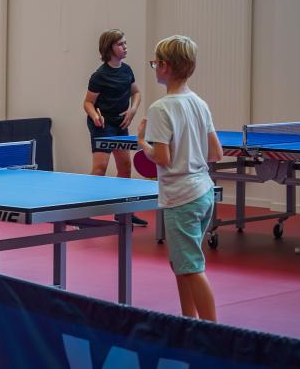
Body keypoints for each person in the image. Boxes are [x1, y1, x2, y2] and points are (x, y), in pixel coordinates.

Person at [136, 35, 222, 322]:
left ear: (165, 67)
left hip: (181, 197)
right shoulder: (200, 103)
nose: (154, 67)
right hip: (204, 192)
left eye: (155, 63)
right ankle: (189, 322)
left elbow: (162, 159)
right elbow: (217, 152)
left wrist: (141, 143)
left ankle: (214, 333)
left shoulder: (161, 108)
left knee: (192, 267)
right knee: (182, 264)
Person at [83, 29, 146, 225]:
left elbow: (136, 93)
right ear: (109, 48)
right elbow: (87, 103)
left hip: (121, 124)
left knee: (125, 169)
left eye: (125, 43)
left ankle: (123, 213)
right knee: (100, 169)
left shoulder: (127, 70)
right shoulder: (99, 76)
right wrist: (95, 116)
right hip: (102, 125)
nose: (125, 47)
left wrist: (132, 110)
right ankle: (81, 214)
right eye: (121, 44)